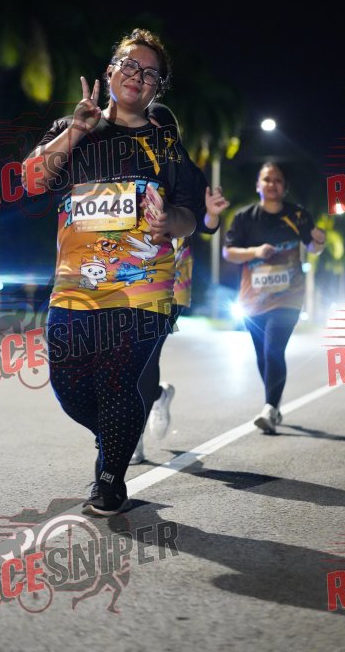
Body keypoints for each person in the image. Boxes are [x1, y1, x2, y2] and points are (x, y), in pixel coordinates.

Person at [22, 29, 202, 515]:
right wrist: (76, 131)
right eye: (129, 65)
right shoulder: (74, 127)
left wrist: (170, 221)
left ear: (157, 88)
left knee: (118, 383)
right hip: (76, 286)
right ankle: (118, 435)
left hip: (143, 287)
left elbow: (191, 215)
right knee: (69, 386)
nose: (137, 76)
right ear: (109, 71)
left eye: (150, 74)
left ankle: (109, 480)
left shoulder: (166, 145)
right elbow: (31, 180)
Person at [128, 116, 230, 464]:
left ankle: (131, 440)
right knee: (122, 360)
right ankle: (157, 395)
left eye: (159, 127)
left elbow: (205, 225)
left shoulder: (184, 169)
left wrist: (212, 215)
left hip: (170, 282)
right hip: (121, 277)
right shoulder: (121, 160)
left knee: (145, 358)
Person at [222, 161, 326, 434]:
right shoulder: (244, 218)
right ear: (258, 185)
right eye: (267, 179)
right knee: (262, 355)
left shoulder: (298, 215)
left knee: (273, 349)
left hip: (288, 296)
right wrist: (256, 252)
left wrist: (319, 240)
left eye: (277, 180)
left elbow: (313, 247)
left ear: (285, 187)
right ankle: (274, 405)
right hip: (253, 299)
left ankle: (269, 408)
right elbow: (228, 252)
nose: (272, 184)